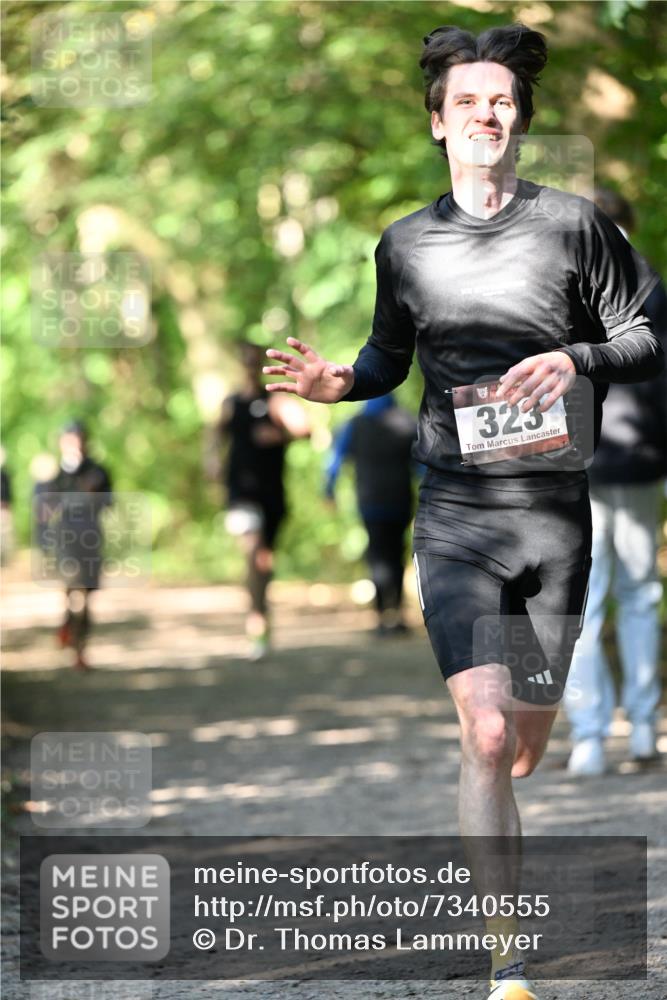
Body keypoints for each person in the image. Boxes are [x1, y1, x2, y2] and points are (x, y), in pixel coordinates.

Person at [262, 23, 663, 1000]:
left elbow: (648, 331)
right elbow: (387, 359)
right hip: (454, 517)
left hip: (551, 520)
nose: (487, 113)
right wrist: (335, 380)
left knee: (524, 740)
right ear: (439, 122)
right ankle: (506, 956)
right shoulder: (404, 244)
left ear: (516, 116)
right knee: (483, 735)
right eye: (467, 101)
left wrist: (576, 358)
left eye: (501, 99)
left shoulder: (573, 228)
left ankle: (526, 750)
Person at [564, 189, 667, 776]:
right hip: (645, 460)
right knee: (640, 595)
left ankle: (590, 737)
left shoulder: (566, 277)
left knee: (581, 602)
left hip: (578, 460)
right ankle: (645, 730)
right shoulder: (654, 283)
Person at [219, 341, 310, 660]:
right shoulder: (230, 403)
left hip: (271, 493)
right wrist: (211, 463)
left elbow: (305, 429)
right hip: (240, 493)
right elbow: (213, 437)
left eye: (252, 361)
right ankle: (255, 622)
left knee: (264, 562)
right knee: (254, 554)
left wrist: (280, 435)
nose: (247, 366)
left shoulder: (274, 400)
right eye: (242, 361)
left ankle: (261, 609)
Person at [324, 393, 418, 634]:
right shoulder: (407, 421)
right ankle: (396, 614)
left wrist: (328, 490)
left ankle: (380, 616)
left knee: (377, 555)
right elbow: (423, 465)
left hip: (370, 501)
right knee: (397, 554)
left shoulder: (355, 425)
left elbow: (335, 459)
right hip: (400, 500)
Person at [35, 421, 112, 671]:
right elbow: (44, 509)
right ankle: (74, 640)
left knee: (86, 595)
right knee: (73, 590)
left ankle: (79, 644)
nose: (75, 443)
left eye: (78, 438)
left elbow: (108, 503)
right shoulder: (54, 475)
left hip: (90, 538)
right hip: (65, 540)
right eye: (70, 439)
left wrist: (93, 495)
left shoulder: (98, 472)